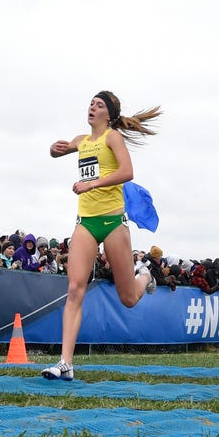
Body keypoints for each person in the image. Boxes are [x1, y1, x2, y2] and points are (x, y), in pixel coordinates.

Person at [40, 90, 162, 381]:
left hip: (113, 222)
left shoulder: (112, 138)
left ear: (109, 114)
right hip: (86, 223)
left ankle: (145, 275)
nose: (92, 108)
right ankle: (65, 363)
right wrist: (54, 150)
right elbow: (61, 148)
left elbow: (127, 171)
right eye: (91, 104)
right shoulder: (83, 140)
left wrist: (92, 184)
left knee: (129, 298)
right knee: (74, 289)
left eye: (99, 105)